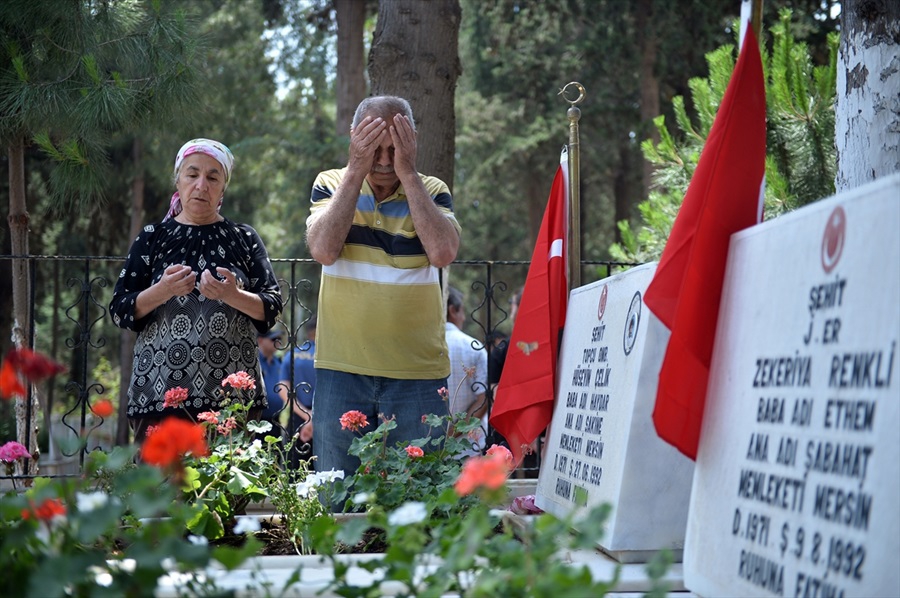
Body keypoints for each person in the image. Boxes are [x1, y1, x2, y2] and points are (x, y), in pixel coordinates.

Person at [305, 95, 461, 479]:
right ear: (356, 138)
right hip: (342, 369)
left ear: (412, 142)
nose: (385, 159)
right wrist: (355, 171)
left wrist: (409, 175)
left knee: (419, 500)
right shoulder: (330, 183)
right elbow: (323, 249)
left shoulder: (431, 189)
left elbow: (442, 252)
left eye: (395, 148)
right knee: (336, 500)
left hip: (417, 373)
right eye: (376, 146)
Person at [110, 138, 283, 443]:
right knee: (160, 491)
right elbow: (120, 309)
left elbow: (271, 308)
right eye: (192, 175)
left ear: (223, 188)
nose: (201, 185)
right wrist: (162, 290)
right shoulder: (153, 237)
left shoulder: (243, 237)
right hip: (159, 396)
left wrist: (233, 296)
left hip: (232, 402)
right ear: (178, 180)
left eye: (213, 177)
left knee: (228, 490)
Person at [445, 286, 488, 458]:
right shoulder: (473, 347)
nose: (464, 317)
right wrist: (455, 433)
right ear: (453, 310)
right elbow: (484, 399)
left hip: (428, 448)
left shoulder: (421, 349)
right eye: (462, 311)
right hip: (470, 447)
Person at [279, 315, 317, 461]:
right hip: (323, 417)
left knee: (294, 468)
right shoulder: (327, 358)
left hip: (297, 416)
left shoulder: (293, 354)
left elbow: (283, 389)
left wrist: (306, 415)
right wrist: (314, 418)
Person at [257, 327, 285, 434]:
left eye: (279, 338)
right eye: (273, 339)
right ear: (260, 340)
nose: (277, 342)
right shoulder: (254, 362)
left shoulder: (278, 362)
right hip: (258, 420)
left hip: (275, 420)